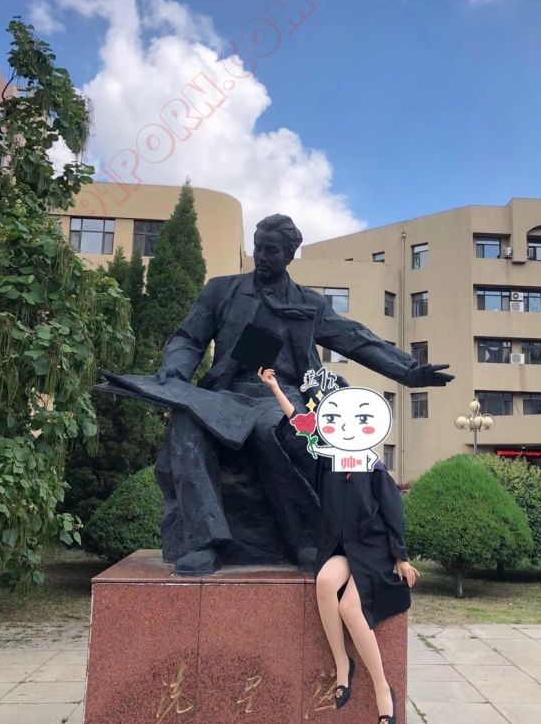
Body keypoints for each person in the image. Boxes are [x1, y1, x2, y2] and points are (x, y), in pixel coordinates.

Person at [147, 213, 453, 576]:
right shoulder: (221, 290)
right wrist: (175, 370)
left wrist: (408, 370)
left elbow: (356, 339)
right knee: (186, 425)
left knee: (277, 431)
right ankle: (203, 542)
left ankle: (304, 538)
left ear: (289, 254)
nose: (262, 256)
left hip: (280, 395)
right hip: (225, 395)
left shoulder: (309, 304)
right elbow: (188, 338)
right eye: (259, 248)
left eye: (272, 250)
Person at [258, 366, 419, 724]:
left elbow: (393, 511)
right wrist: (275, 388)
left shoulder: (374, 467)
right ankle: (343, 664)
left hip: (374, 550)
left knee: (349, 607)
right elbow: (300, 424)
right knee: (325, 582)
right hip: (341, 546)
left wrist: (401, 556)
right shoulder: (327, 460)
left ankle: (382, 688)